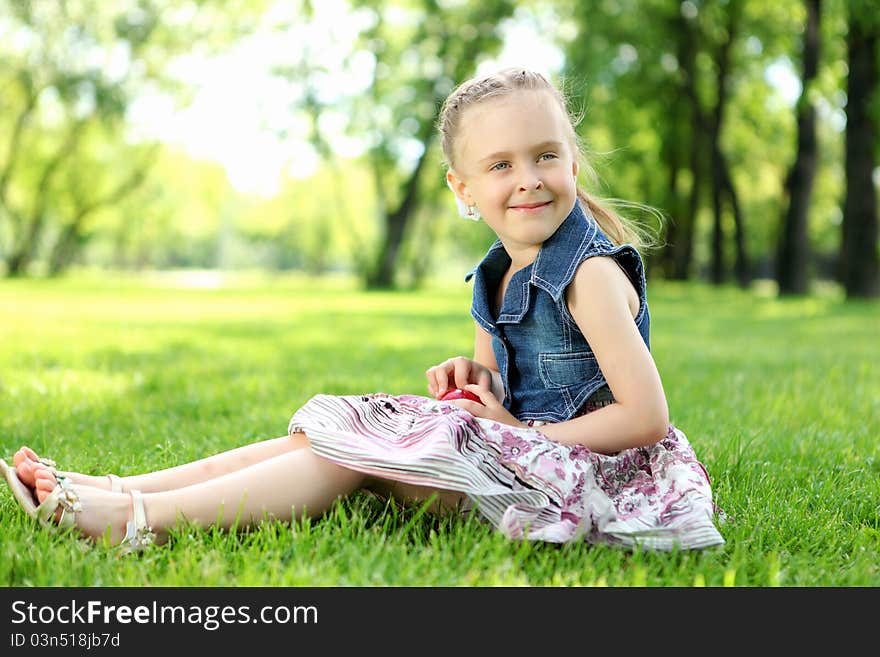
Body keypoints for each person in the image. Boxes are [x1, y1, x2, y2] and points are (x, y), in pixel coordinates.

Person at [0, 68, 724, 552]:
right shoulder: (497, 274)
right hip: (524, 454)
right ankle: (118, 489)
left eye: (546, 156)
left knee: (355, 453)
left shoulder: (590, 274)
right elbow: (504, 391)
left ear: (571, 160)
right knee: (335, 429)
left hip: (593, 477)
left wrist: (520, 432)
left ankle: (134, 521)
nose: (528, 180)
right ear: (463, 190)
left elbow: (644, 417)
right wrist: (475, 383)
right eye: (500, 165)